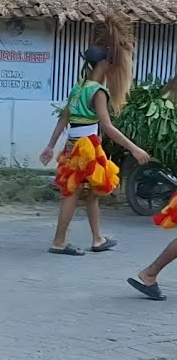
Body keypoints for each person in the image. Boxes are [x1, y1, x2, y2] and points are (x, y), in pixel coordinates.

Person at [40, 15, 150, 256]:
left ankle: (97, 239)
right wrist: (134, 148)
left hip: (72, 146)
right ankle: (59, 242)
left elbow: (63, 119)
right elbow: (107, 127)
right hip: (87, 146)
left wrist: (50, 146)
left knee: (90, 193)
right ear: (103, 65)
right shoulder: (98, 92)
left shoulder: (78, 87)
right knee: (73, 192)